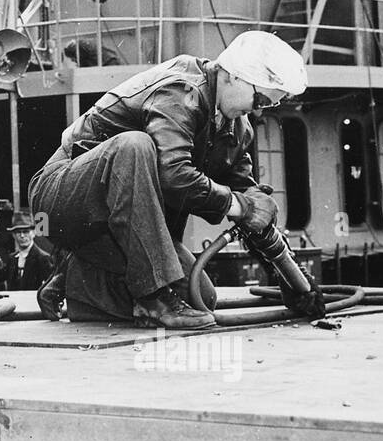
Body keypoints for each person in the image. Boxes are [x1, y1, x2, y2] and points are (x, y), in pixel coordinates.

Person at [30, 31, 311, 328]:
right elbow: (174, 175)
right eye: (260, 99)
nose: (258, 110)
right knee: (134, 147)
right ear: (235, 77)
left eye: (268, 106)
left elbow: (253, 207)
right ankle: (152, 299)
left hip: (110, 227)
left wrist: (292, 280)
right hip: (58, 201)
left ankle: (78, 274)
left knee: (199, 295)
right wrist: (239, 205)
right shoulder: (182, 90)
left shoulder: (236, 130)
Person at [4, 210, 53, 291]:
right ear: (13, 235)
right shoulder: (12, 258)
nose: (22, 236)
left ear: (33, 233)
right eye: (18, 232)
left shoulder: (43, 258)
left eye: (26, 232)